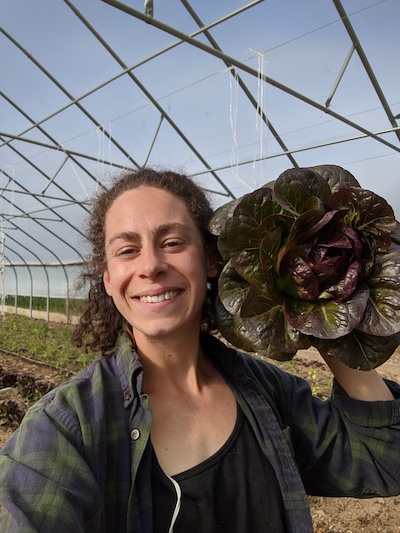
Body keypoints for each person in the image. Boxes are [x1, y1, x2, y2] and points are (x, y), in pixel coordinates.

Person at [0, 167, 399, 533]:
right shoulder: (67, 427)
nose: (151, 265)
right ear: (107, 278)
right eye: (127, 250)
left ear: (210, 259)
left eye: (172, 242)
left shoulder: (267, 393)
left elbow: (383, 458)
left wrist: (331, 303)